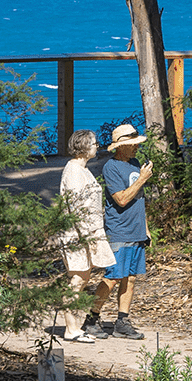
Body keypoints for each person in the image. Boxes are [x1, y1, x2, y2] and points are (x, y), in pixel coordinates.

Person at [89, 123, 152, 341]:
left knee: (130, 278)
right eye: (131, 144)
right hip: (120, 230)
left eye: (136, 143)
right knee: (113, 277)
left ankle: (122, 321)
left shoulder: (135, 164)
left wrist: (145, 229)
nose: (136, 147)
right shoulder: (112, 168)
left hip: (136, 231)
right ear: (119, 146)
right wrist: (143, 178)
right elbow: (122, 199)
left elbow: (139, 199)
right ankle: (91, 317)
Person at [54, 130, 113, 343]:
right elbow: (78, 207)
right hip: (77, 235)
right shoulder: (73, 171)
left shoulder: (83, 169)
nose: (97, 146)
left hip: (87, 233)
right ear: (84, 146)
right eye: (94, 143)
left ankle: (74, 326)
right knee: (77, 280)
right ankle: (70, 328)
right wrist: (88, 236)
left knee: (83, 278)